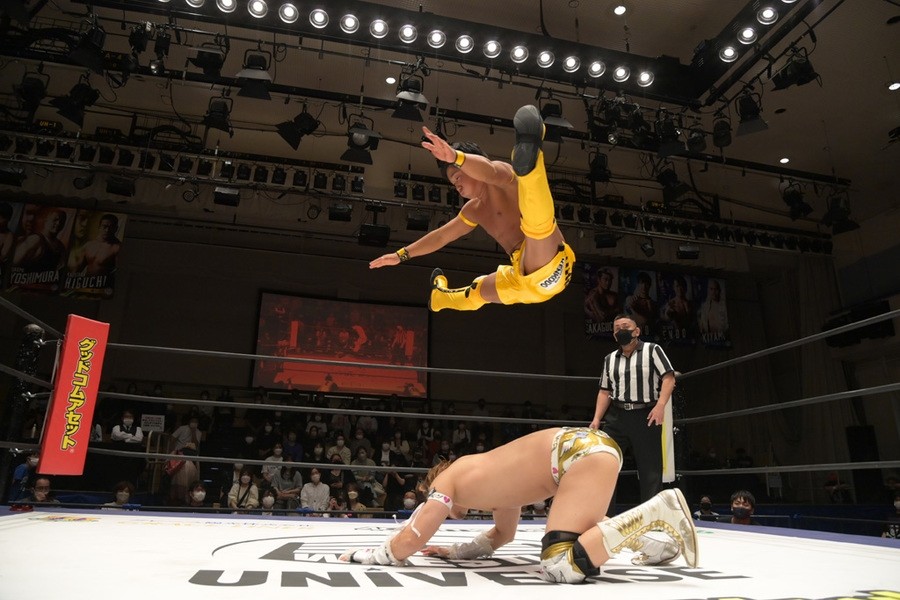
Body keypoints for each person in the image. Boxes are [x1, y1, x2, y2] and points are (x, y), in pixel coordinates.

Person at [340, 427, 697, 584]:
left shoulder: (448, 478)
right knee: (575, 522)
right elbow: (503, 534)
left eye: (428, 493)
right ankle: (656, 543)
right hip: (590, 449)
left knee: (559, 564)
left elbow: (411, 539)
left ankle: (658, 509)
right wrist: (455, 551)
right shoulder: (493, 486)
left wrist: (371, 554)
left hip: (575, 455)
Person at [369, 104, 574, 312]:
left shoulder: (502, 176)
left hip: (550, 265)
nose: (456, 186)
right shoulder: (473, 210)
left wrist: (456, 157)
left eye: (458, 177)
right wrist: (400, 255)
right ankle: (439, 297)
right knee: (476, 291)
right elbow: (441, 236)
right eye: (453, 183)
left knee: (537, 225)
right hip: (521, 279)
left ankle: (532, 161)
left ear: (472, 164)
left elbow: (489, 170)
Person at [590, 314, 676, 502]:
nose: (621, 331)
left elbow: (669, 378)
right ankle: (604, 514)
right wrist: (596, 419)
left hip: (646, 414)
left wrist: (660, 405)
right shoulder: (609, 359)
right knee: (606, 462)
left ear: (637, 331)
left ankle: (650, 515)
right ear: (614, 335)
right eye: (617, 329)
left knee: (650, 469)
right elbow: (604, 391)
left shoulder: (652, 350)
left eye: (625, 327)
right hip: (617, 416)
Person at [12, 207, 67, 272]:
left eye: (61, 221)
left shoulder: (60, 247)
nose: (58, 223)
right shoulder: (35, 240)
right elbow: (13, 263)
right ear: (46, 220)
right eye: (55, 219)